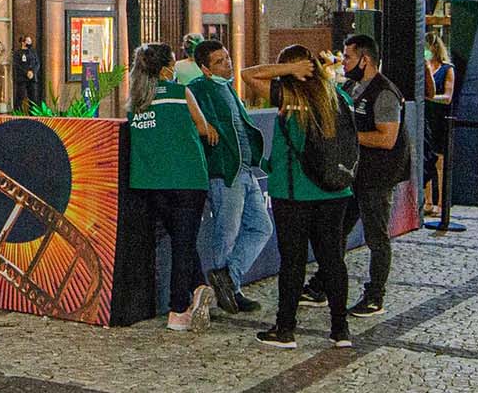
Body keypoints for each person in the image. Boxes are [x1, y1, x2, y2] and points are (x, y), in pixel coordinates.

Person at [252, 44, 355, 350]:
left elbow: (248, 75)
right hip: (335, 190)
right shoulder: (338, 95)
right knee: (333, 260)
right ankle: (341, 330)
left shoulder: (288, 97)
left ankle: (285, 330)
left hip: (293, 192)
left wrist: (287, 71)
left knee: (293, 262)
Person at [125, 42, 217, 332]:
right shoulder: (180, 92)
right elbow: (202, 128)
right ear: (166, 70)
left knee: (181, 238)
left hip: (151, 183)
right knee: (183, 243)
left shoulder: (136, 102)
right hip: (188, 179)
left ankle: (201, 286)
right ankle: (178, 310)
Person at [188, 39, 267, 314]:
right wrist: (205, 125)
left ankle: (228, 280)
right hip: (225, 173)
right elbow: (189, 112)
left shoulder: (228, 89)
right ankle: (229, 288)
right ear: (205, 69)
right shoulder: (199, 88)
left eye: (227, 58)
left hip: (245, 170)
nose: (228, 64)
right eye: (219, 62)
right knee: (227, 233)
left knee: (261, 226)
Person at [334, 33, 407, 318]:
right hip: (355, 175)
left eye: (349, 57)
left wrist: (348, 136)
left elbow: (386, 138)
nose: (343, 62)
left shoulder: (385, 93)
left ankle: (375, 295)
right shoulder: (353, 87)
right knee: (337, 231)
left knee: (377, 237)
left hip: (377, 177)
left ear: (365, 60)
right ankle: (324, 284)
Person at [422, 33, 456, 217]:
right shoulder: (423, 69)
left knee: (440, 162)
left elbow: (448, 97)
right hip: (426, 117)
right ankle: (427, 201)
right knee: (427, 159)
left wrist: (429, 97)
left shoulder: (447, 69)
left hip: (440, 119)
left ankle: (442, 203)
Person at [13, 35, 40, 112]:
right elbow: (17, 65)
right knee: (20, 97)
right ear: (23, 42)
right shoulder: (18, 53)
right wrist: (26, 72)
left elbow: (37, 63)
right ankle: (17, 114)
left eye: (30, 41)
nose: (30, 43)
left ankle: (33, 114)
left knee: (33, 98)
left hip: (32, 78)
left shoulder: (33, 52)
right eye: (28, 41)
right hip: (22, 79)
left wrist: (33, 72)